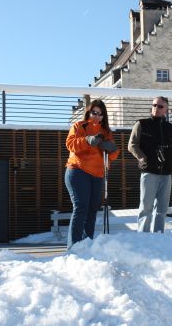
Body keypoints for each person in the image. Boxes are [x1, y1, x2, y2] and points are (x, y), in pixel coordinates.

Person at [65, 99, 119, 249]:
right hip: (77, 170)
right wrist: (87, 140)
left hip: (97, 174)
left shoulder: (106, 132)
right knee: (81, 207)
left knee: (92, 210)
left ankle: (87, 245)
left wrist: (113, 149)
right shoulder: (79, 126)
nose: (97, 116)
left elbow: (112, 155)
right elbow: (70, 144)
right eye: (94, 112)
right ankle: (73, 247)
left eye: (100, 114)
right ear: (88, 112)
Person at [128, 96, 172, 233]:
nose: (156, 108)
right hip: (149, 172)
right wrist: (143, 158)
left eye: (160, 106)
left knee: (162, 209)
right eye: (154, 105)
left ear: (166, 109)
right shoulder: (142, 124)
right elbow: (132, 145)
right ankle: (143, 237)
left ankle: (158, 236)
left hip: (166, 174)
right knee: (146, 208)